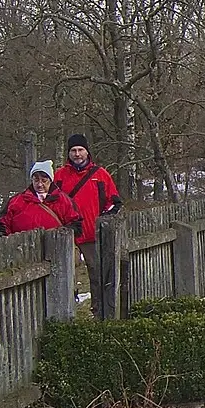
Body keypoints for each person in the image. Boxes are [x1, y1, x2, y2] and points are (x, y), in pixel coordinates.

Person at [55, 135, 122, 321]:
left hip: (93, 234)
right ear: (69, 153)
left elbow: (114, 201)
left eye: (80, 150)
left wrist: (105, 220)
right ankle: (67, 313)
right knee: (67, 274)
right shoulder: (60, 176)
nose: (77, 154)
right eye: (73, 151)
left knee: (96, 273)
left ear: (87, 152)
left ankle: (98, 310)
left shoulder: (100, 175)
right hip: (68, 234)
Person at [0, 162, 79, 234]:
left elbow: (75, 224)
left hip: (55, 247)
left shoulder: (63, 200)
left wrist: (61, 233)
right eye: (36, 180)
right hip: (23, 247)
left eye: (44, 180)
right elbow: (3, 222)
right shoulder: (17, 201)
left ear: (50, 181)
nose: (40, 184)